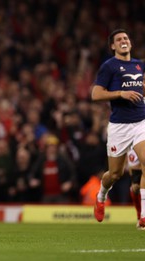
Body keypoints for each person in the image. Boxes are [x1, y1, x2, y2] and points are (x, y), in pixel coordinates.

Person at [92, 29, 145, 229]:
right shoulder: (109, 66)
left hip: (141, 122)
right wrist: (121, 93)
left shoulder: (140, 64)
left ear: (130, 43)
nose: (124, 41)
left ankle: (143, 217)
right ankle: (101, 196)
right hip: (119, 126)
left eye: (126, 38)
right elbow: (96, 95)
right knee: (115, 174)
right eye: (119, 39)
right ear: (113, 46)